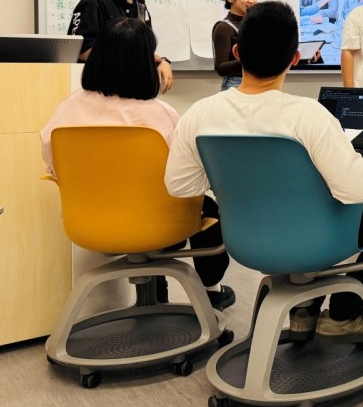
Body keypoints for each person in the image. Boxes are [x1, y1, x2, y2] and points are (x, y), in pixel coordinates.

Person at [165, 1, 363, 342]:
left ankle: (303, 311)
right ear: (296, 58)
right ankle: (345, 315)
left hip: (245, 240)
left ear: (237, 52)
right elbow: (356, 191)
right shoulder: (309, 115)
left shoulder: (200, 114)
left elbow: (179, 186)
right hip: (316, 239)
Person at [41, 17, 233, 310]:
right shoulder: (159, 114)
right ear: (144, 64)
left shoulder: (67, 108)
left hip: (89, 221)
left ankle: (158, 292)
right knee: (209, 208)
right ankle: (212, 291)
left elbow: (52, 163)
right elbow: (187, 173)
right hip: (160, 223)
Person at [212, 0, 257, 91]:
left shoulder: (257, 24)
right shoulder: (224, 27)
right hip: (236, 84)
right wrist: (253, 61)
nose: (252, 1)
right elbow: (221, 67)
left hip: (259, 82)